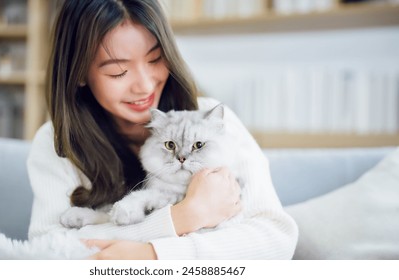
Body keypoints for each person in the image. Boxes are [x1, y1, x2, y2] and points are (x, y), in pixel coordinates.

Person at [27, 0, 298, 260]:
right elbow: (44, 250)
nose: (144, 86)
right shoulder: (55, 142)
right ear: (79, 73)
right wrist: (184, 217)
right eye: (119, 72)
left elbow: (276, 238)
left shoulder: (211, 118)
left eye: (155, 59)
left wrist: (153, 256)